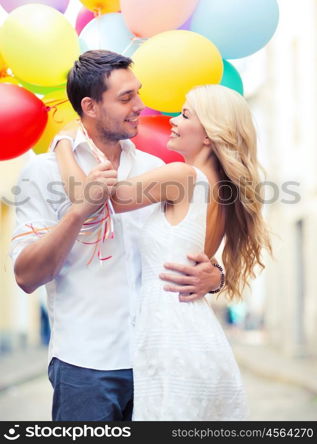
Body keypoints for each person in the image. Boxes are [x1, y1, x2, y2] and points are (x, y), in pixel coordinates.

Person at [10, 50, 223, 422]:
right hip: (85, 367)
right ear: (90, 106)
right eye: (126, 98)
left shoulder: (154, 169)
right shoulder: (41, 175)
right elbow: (26, 276)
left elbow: (186, 246)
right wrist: (77, 210)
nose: (141, 105)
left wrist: (216, 277)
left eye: (137, 93)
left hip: (156, 362)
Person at [53, 83, 271, 421]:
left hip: (171, 338)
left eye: (184, 115)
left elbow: (95, 198)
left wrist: (64, 143)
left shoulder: (183, 176)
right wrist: (218, 277)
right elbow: (202, 262)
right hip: (193, 332)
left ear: (209, 135)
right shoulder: (223, 190)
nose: (172, 120)